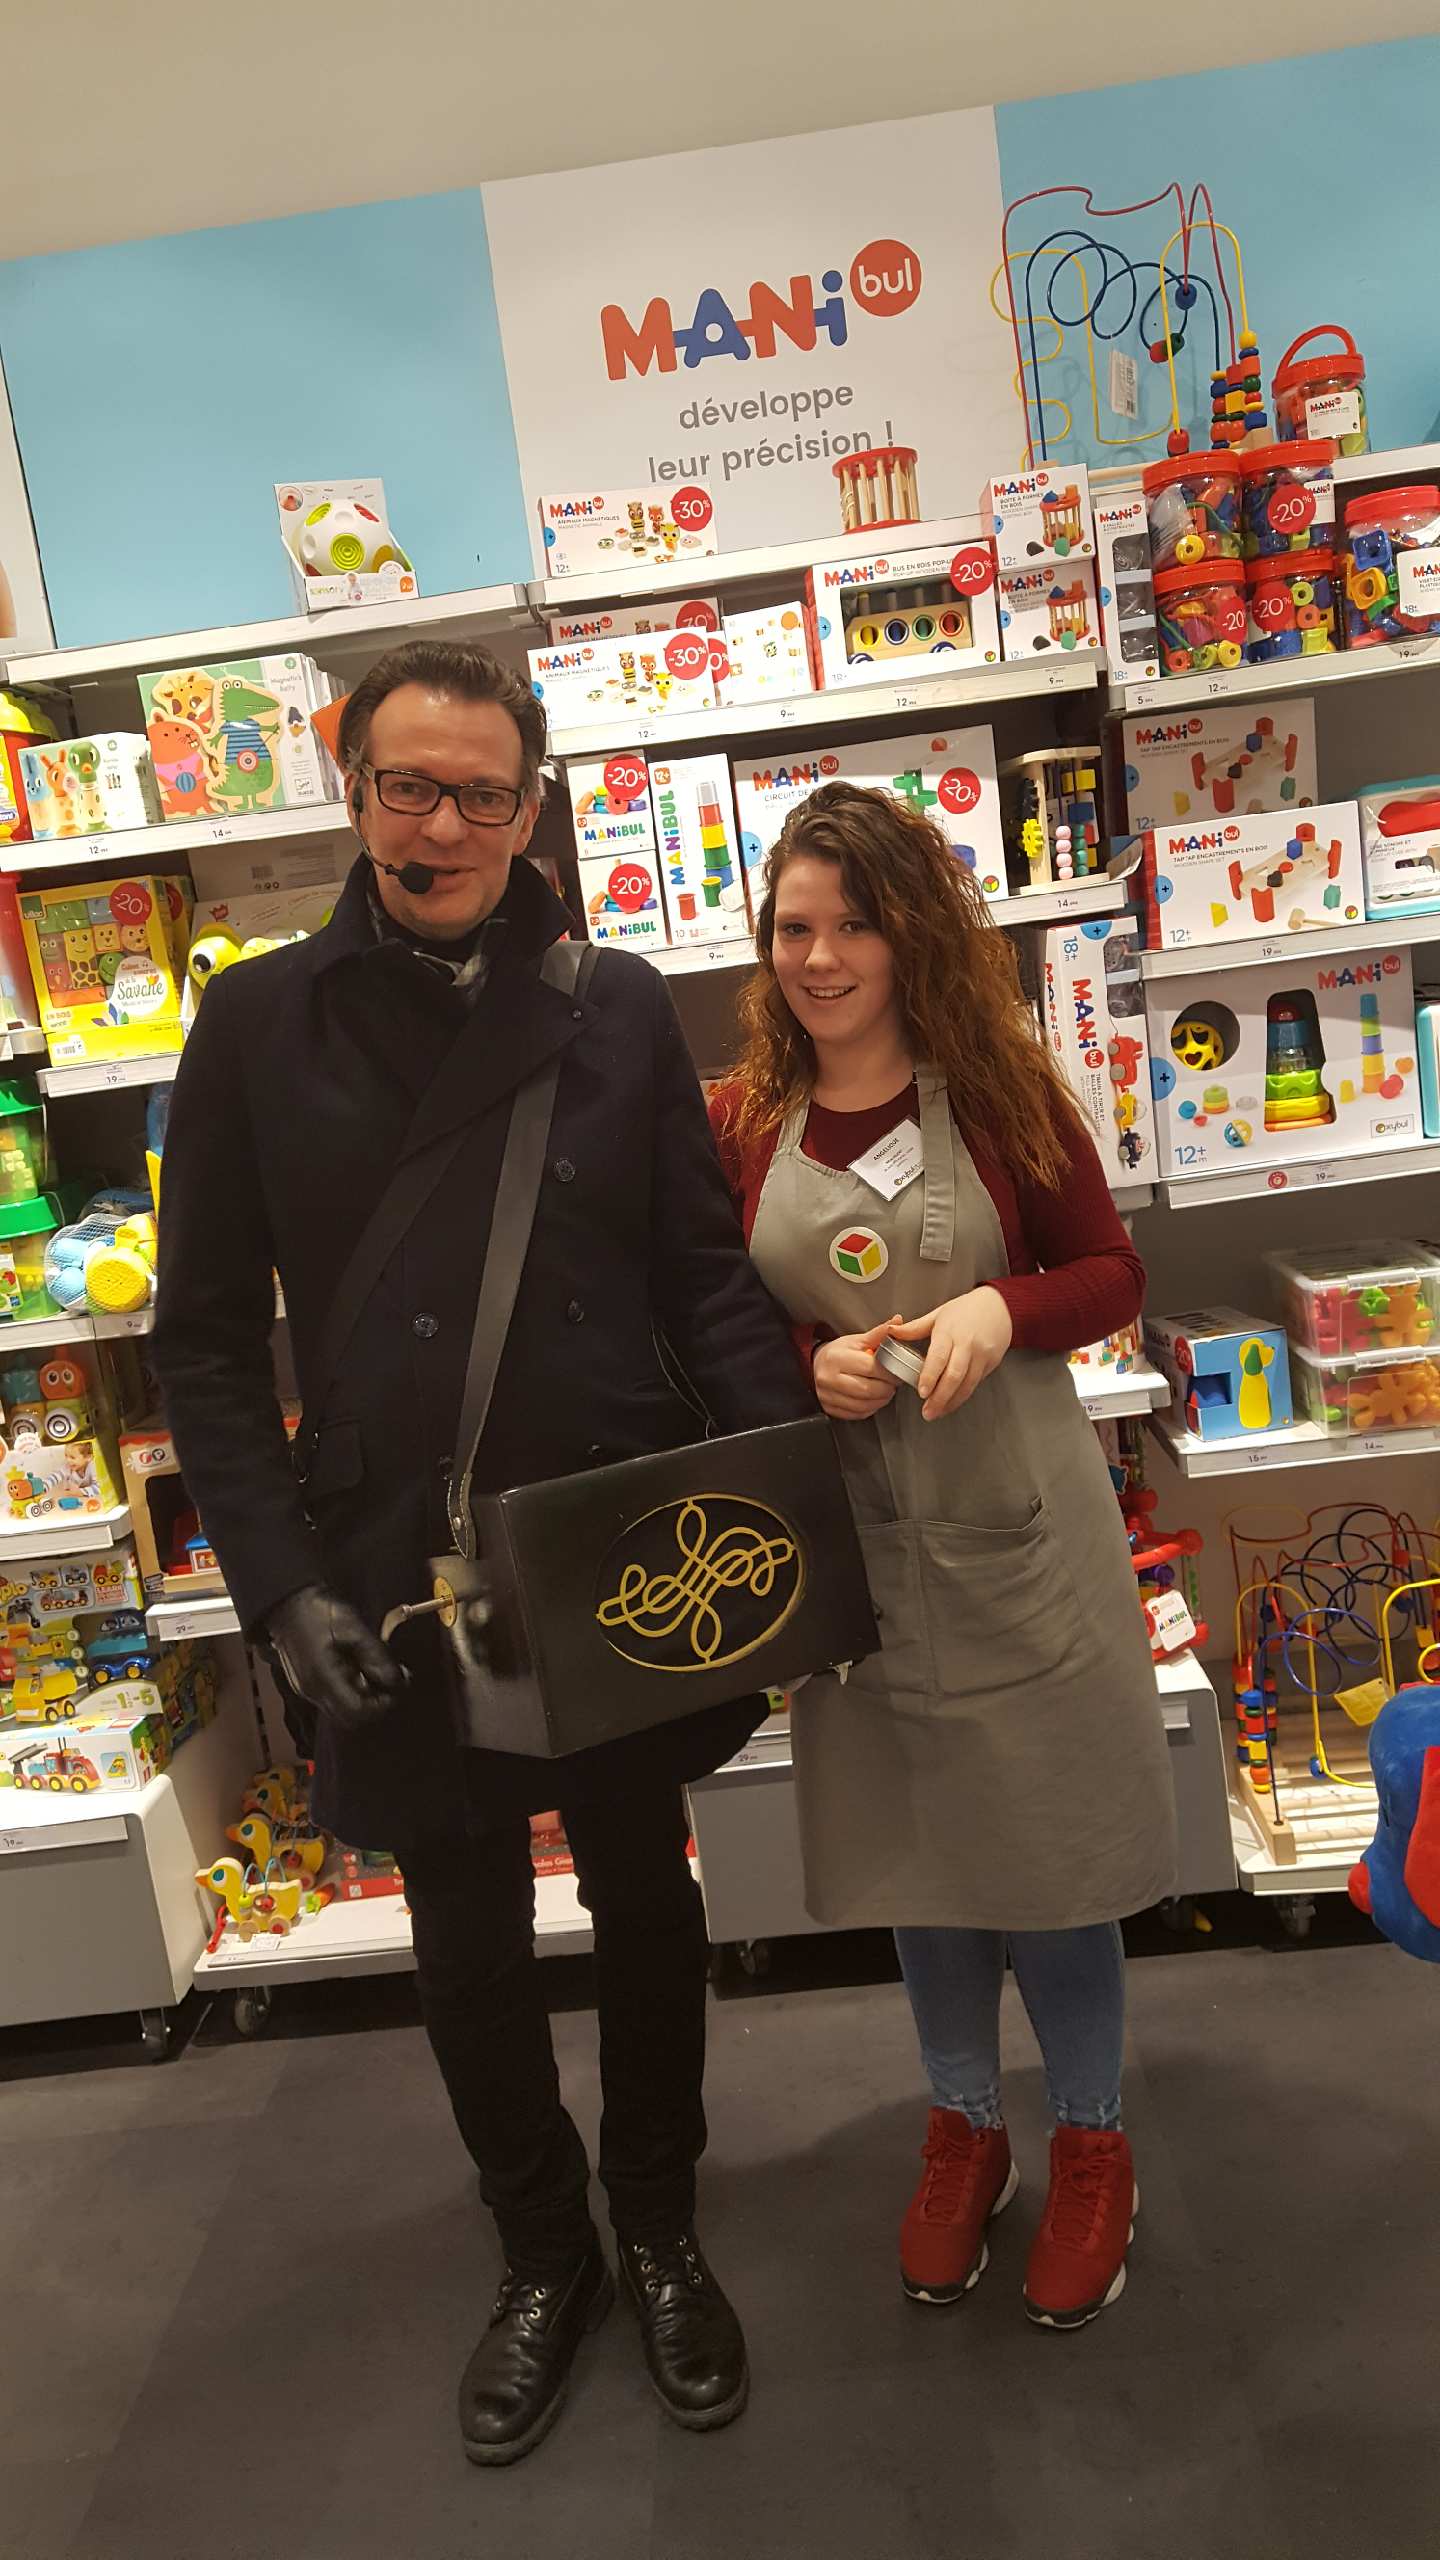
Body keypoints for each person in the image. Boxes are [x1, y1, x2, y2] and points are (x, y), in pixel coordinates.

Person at [153, 638, 814, 2466]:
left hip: (614, 1534)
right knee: (462, 1931)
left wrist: (782, 1498)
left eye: (480, 796)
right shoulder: (256, 1023)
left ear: (533, 812)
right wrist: (280, 1584)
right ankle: (543, 2252)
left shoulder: (614, 1006)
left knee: (649, 1895)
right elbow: (203, 1342)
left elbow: (701, 1275)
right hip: (391, 1561)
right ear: (349, 784)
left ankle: (658, 2223)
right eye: (406, 787)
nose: (439, 827)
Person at [710, 782, 1176, 2332]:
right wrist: (805, 1364)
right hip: (853, 1544)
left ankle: (1093, 2141)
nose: (821, 958)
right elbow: (713, 1319)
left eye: (856, 924)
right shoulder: (744, 1123)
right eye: (794, 928)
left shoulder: (1001, 1093)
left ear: (915, 934)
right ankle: (967, 2126)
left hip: (1015, 1531)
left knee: (1052, 1859)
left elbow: (1109, 1271)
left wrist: (1002, 1305)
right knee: (925, 1861)